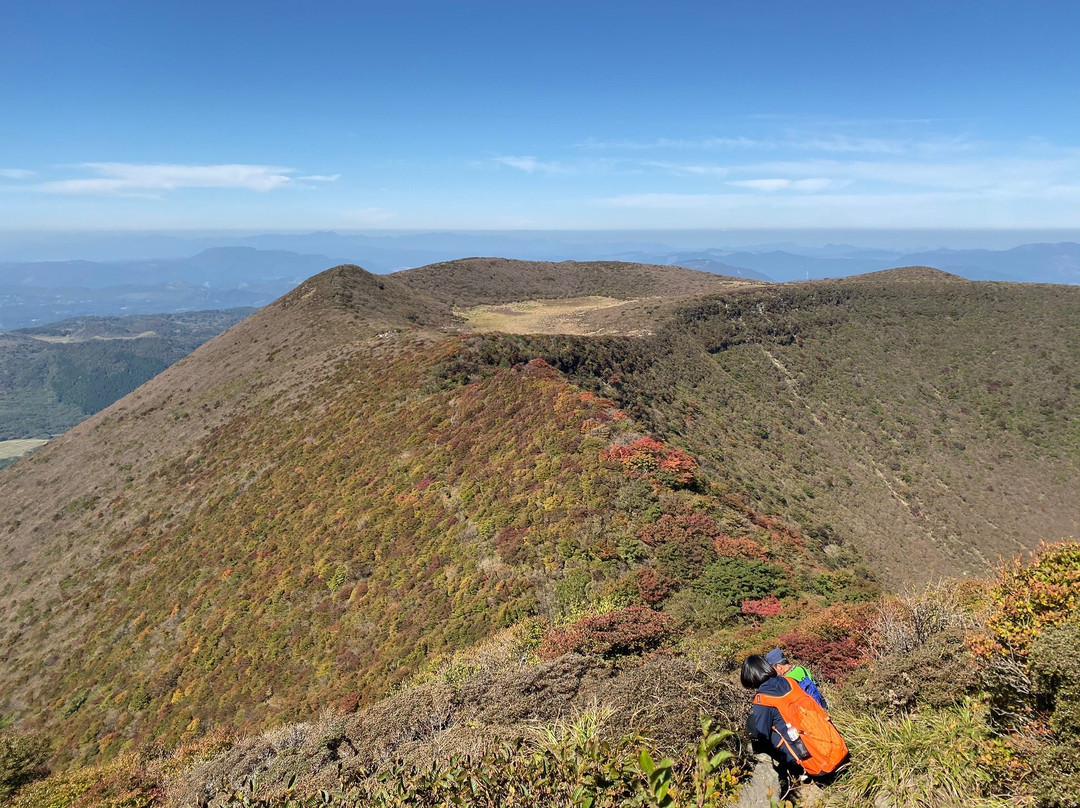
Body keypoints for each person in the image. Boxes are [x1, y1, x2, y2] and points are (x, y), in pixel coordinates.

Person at [740, 654, 848, 787]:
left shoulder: (762, 700)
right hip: (833, 744)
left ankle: (794, 772)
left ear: (750, 678)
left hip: (814, 763)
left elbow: (763, 735)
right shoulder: (789, 681)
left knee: (754, 725)